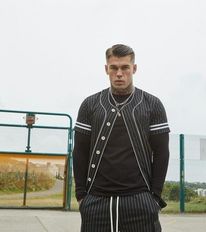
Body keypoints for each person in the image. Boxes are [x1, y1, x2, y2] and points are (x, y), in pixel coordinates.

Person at [73, 44, 170, 232]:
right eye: (114, 68)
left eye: (125, 67)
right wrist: (82, 196)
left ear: (134, 68)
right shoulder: (90, 104)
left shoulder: (152, 104)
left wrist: (155, 198)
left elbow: (162, 153)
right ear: (106, 69)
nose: (119, 73)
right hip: (96, 201)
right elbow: (79, 152)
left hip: (140, 200)